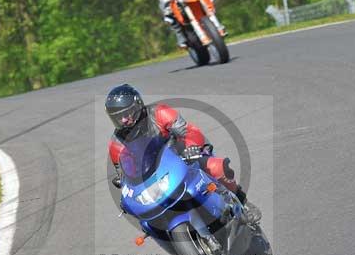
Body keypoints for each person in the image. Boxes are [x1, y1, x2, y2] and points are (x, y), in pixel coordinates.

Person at [105, 84, 261, 224]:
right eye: (118, 117)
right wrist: (125, 189)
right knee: (144, 217)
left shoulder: (159, 113)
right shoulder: (116, 142)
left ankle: (243, 202)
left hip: (184, 156)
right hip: (154, 176)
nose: (123, 120)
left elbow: (188, 131)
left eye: (126, 113)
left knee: (216, 167)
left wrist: (191, 147)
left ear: (137, 106)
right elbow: (124, 173)